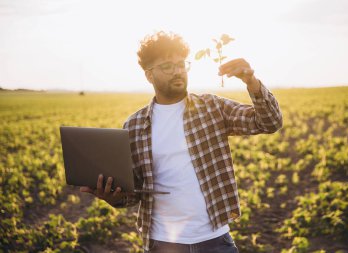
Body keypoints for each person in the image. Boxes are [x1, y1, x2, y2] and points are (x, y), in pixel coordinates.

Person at [80, 31, 283, 253]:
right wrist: (114, 197)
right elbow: (134, 193)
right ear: (149, 75)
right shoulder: (134, 126)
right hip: (163, 244)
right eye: (167, 66)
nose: (177, 71)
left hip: (215, 241)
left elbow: (269, 122)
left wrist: (251, 82)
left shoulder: (211, 107)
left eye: (181, 64)